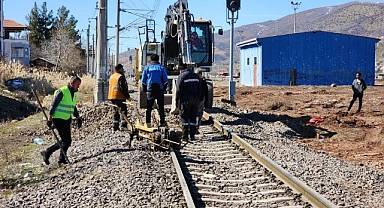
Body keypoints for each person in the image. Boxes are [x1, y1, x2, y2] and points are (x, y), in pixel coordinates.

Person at [40, 76, 82, 165]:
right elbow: (53, 105)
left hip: (67, 118)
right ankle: (50, 153)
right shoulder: (62, 91)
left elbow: (73, 106)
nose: (78, 87)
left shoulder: (73, 93)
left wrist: (78, 117)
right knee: (66, 140)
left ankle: (57, 157)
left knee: (66, 140)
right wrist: (49, 118)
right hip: (58, 119)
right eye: (77, 85)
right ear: (71, 83)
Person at [141, 54, 168, 127]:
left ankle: (148, 123)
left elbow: (143, 81)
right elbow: (165, 81)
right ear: (158, 59)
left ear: (151, 60)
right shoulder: (162, 68)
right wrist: (164, 89)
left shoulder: (147, 68)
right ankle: (162, 122)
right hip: (160, 90)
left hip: (150, 90)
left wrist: (145, 90)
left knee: (149, 107)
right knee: (161, 107)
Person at [176, 65, 200, 141]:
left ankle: (185, 136)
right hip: (195, 99)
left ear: (182, 70)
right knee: (193, 117)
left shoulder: (182, 76)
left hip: (185, 100)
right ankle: (192, 136)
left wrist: (177, 100)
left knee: (184, 118)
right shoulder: (196, 76)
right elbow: (200, 89)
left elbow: (178, 90)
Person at [108, 64, 132, 131]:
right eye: (122, 68)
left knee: (116, 111)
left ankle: (115, 126)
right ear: (119, 69)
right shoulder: (121, 77)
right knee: (123, 110)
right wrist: (128, 97)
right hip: (119, 96)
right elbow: (123, 88)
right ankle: (123, 125)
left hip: (112, 96)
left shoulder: (112, 76)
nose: (123, 70)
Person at [195, 68, 208, 134]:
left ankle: (193, 128)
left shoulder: (194, 81)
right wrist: (206, 103)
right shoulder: (203, 81)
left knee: (194, 114)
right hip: (200, 100)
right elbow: (206, 93)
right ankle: (196, 128)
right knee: (198, 114)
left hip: (195, 99)